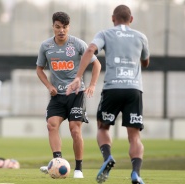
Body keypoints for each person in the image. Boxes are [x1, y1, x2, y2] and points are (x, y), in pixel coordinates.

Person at [66, 5, 150, 184]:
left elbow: (90, 50)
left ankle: (108, 158)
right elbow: (145, 61)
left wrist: (78, 76)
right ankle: (135, 173)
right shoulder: (141, 37)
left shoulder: (105, 34)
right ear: (131, 19)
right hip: (134, 90)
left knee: (103, 127)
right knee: (134, 136)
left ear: (113, 19)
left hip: (112, 89)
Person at [36, 11, 101, 179]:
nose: (61, 31)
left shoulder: (78, 44)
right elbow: (39, 69)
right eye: (58, 27)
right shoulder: (46, 46)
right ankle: (58, 162)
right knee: (51, 124)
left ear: (68, 27)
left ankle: (79, 168)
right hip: (57, 95)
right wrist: (49, 85)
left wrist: (92, 85)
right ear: (53, 27)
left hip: (76, 94)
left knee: (75, 130)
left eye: (64, 27)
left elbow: (97, 64)